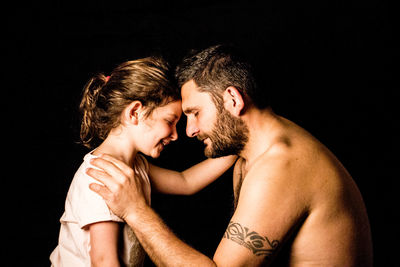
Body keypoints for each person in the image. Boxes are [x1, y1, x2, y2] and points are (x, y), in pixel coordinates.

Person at [87, 45, 373, 266]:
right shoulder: (255, 152)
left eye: (195, 113)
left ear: (233, 100)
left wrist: (135, 210)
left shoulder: (280, 167)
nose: (190, 131)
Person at [50, 57, 237, 267]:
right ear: (134, 113)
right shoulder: (101, 175)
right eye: (169, 121)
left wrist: (236, 147)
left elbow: (186, 182)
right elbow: (103, 261)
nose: (176, 135)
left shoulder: (136, 165)